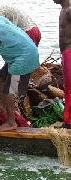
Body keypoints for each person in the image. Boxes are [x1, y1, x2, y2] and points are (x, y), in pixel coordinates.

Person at [53, 0, 71, 129]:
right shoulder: (63, 10)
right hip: (65, 52)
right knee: (67, 87)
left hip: (70, 51)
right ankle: (68, 120)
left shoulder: (69, 10)